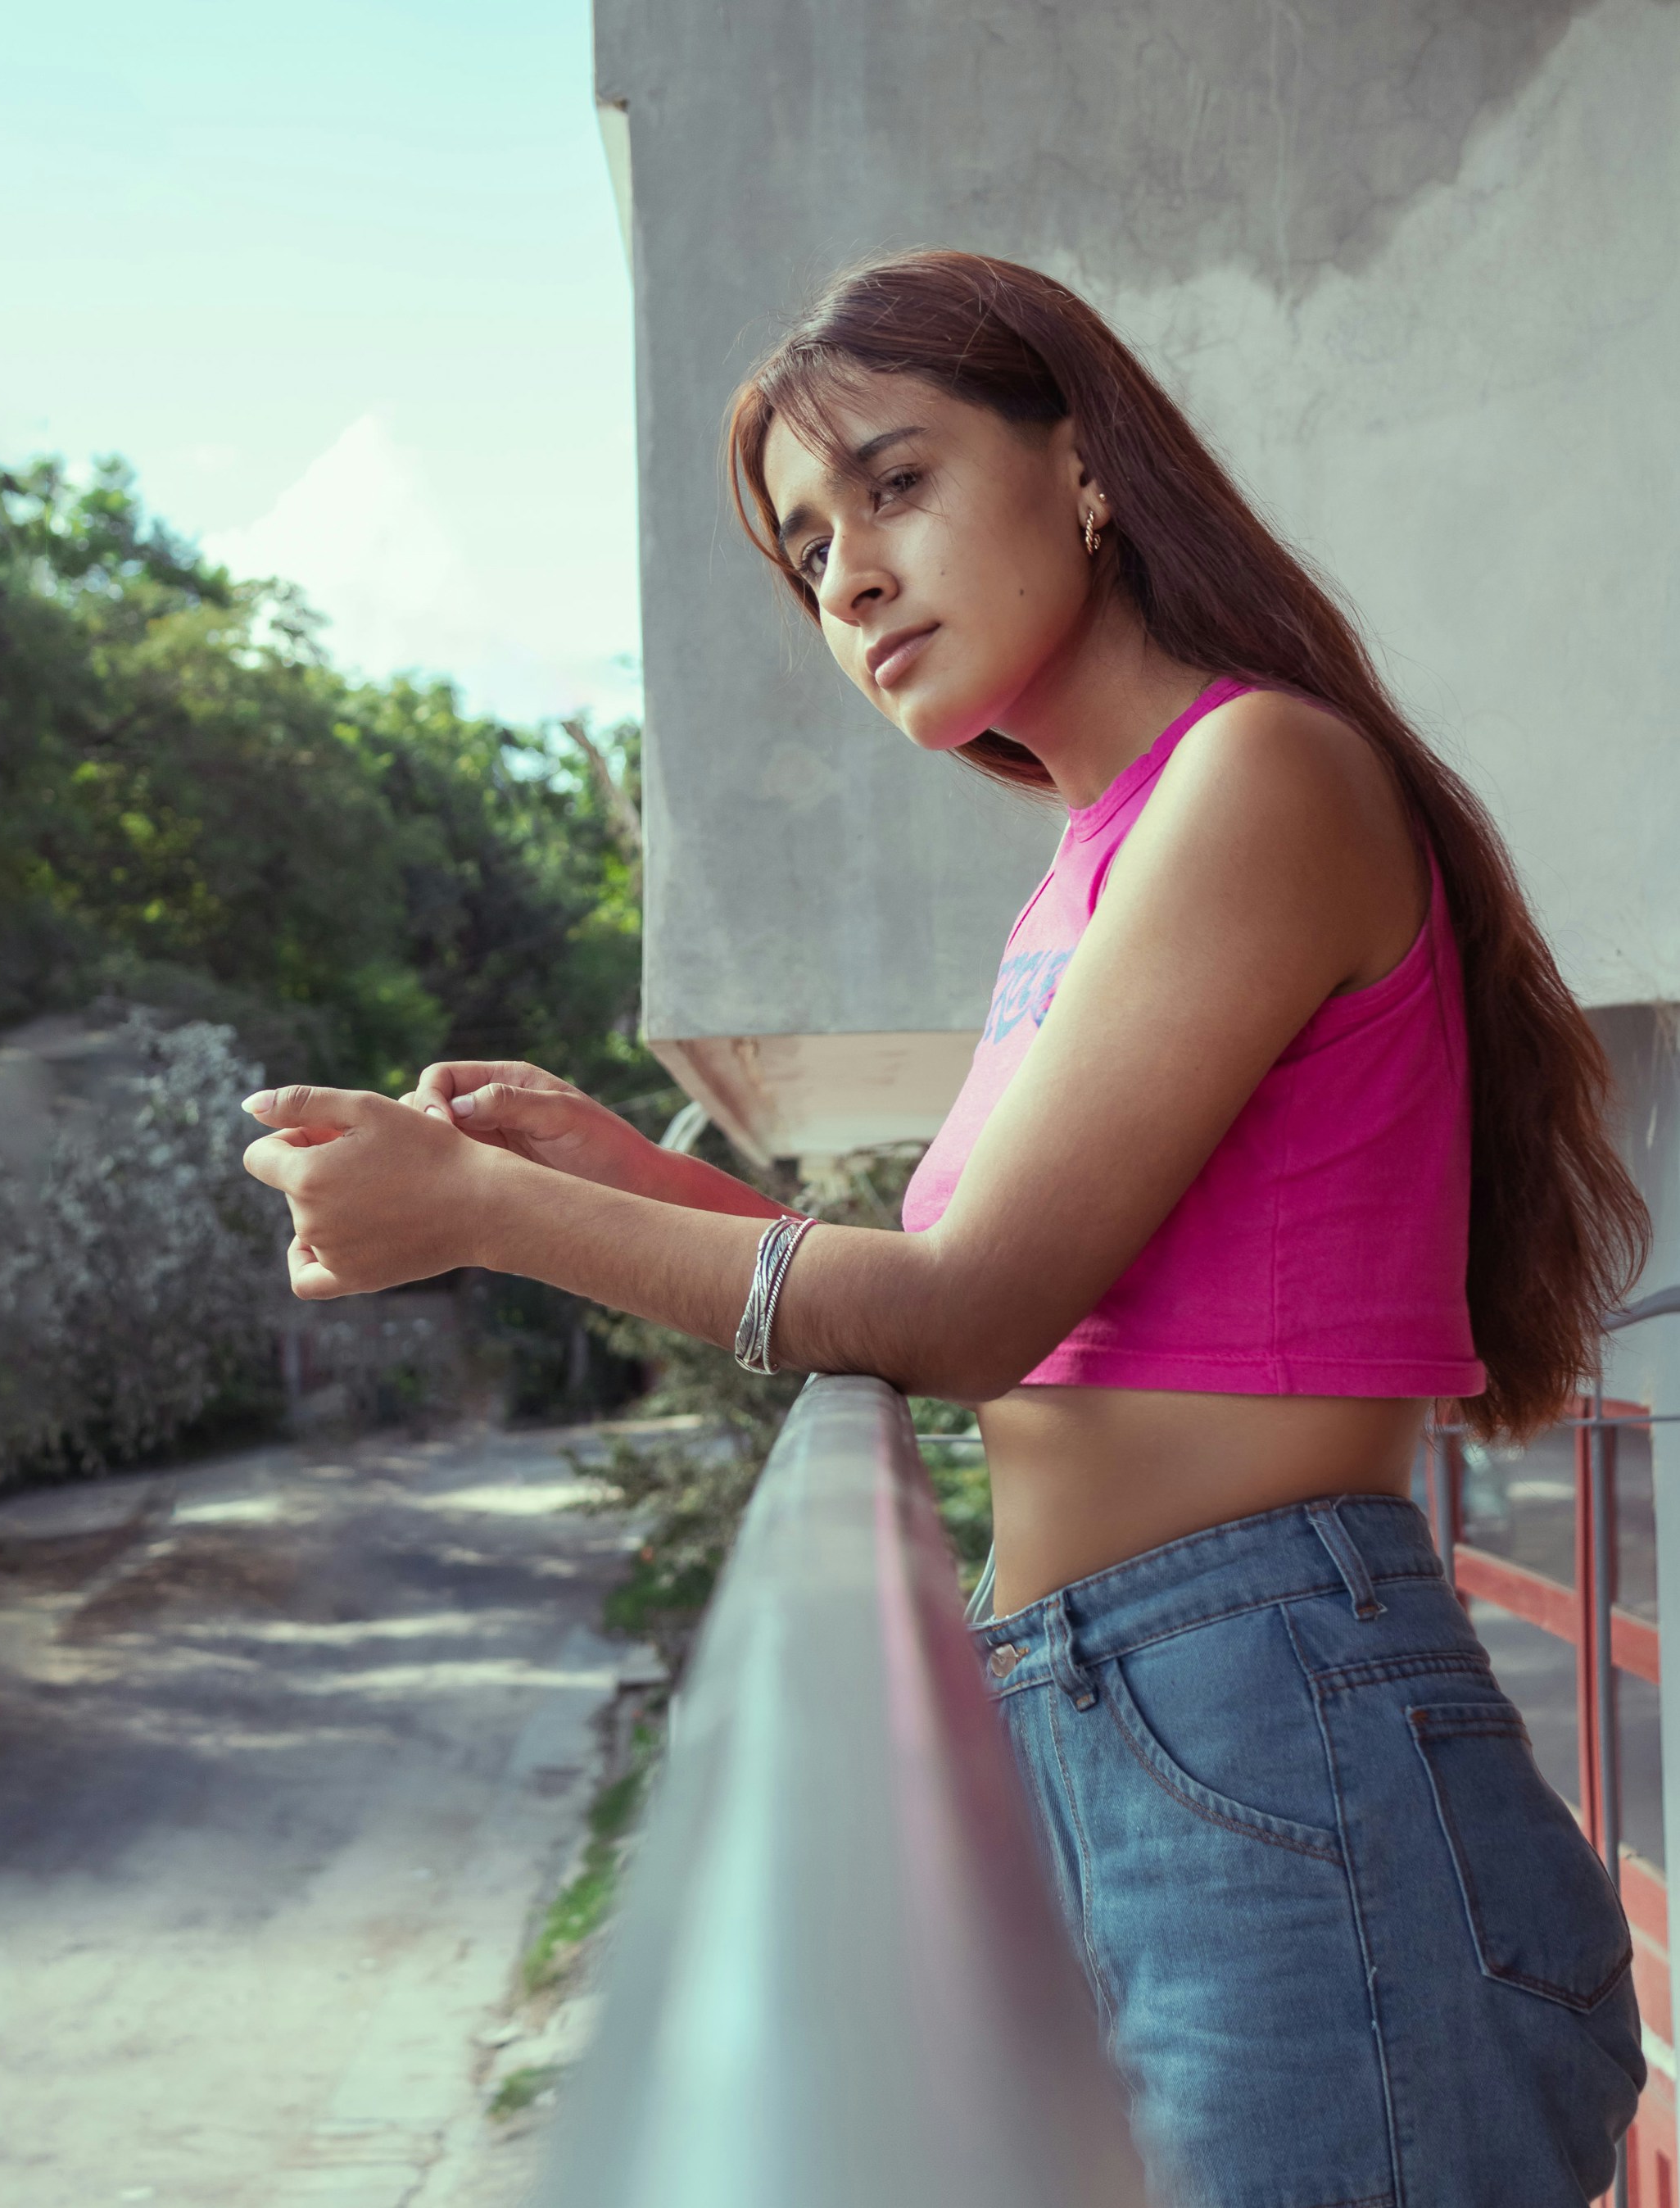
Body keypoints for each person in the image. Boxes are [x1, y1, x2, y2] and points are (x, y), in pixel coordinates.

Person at [242, 250, 1649, 2205]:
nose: (849, 578)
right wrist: (600, 1172)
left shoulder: (1258, 775)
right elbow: (1002, 1314)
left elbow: (970, 1310)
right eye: (806, 548)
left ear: (1083, 466)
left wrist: (488, 1213)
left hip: (1270, 1713)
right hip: (1130, 1716)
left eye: (893, 488)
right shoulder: (1085, 866)